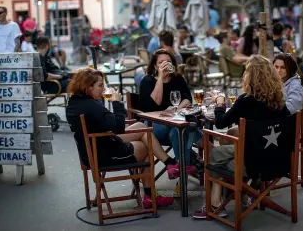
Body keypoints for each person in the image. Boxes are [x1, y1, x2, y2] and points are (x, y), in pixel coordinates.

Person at [192, 55, 290, 219]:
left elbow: (221, 123)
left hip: (252, 164)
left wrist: (220, 103)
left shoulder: (245, 101)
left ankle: (216, 204)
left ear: (249, 76)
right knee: (228, 147)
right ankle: (242, 194)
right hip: (278, 160)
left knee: (215, 155)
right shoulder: (278, 100)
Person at [66, 69, 178, 208]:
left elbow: (107, 126)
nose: (103, 89)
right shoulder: (92, 106)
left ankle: (169, 164)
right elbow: (117, 127)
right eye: (100, 85)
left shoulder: (74, 103)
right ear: (88, 87)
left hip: (93, 150)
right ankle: (152, 193)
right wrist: (117, 103)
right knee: (146, 145)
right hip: (105, 154)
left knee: (139, 127)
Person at [139, 49, 202, 174]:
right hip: (152, 125)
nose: (165, 64)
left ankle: (184, 165)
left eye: (168, 61)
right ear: (155, 65)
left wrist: (176, 109)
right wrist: (161, 77)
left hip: (174, 121)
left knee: (180, 129)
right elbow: (155, 102)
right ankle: (195, 160)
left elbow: (187, 99)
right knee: (182, 131)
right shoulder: (147, 81)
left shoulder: (177, 78)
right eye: (161, 62)